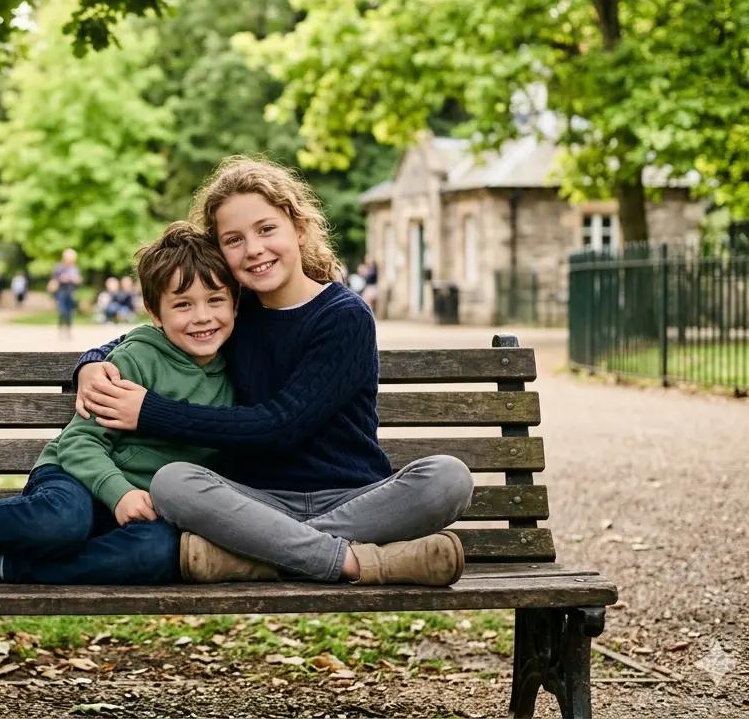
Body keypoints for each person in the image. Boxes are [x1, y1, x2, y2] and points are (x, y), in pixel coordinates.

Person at [74, 156, 473, 587]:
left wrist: (151, 411)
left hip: (354, 497)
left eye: (266, 229)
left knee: (449, 478)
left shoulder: (343, 316)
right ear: (220, 253)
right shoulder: (233, 313)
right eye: (233, 239)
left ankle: (258, 558)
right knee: (173, 483)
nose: (254, 249)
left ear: (298, 229)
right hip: (256, 501)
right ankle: (356, 562)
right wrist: (91, 361)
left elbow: (281, 424)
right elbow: (155, 333)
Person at [0, 222, 238, 586]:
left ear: (236, 303)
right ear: (155, 313)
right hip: (76, 479)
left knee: (157, 553)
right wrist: (117, 492)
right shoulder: (137, 358)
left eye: (215, 299)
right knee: (62, 522)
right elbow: (79, 443)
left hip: (145, 509)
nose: (202, 317)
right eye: (183, 305)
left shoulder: (240, 372)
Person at [50, 249, 83, 337]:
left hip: (71, 292)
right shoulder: (59, 268)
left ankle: (68, 330)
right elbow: (54, 281)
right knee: (62, 311)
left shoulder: (75, 269)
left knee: (70, 312)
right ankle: (61, 329)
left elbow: (79, 280)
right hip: (61, 292)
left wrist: (75, 279)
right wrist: (61, 279)